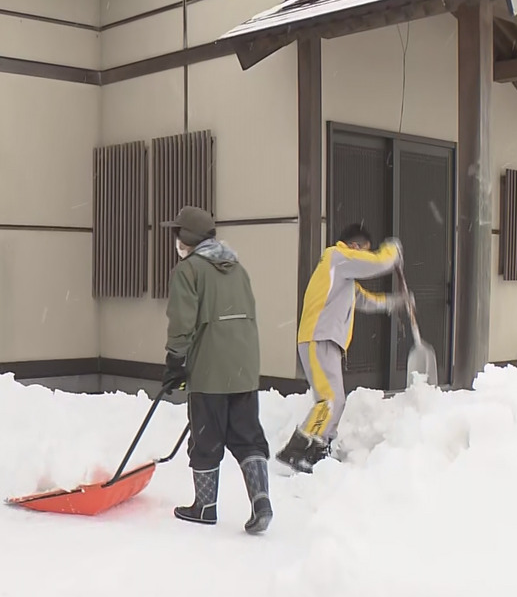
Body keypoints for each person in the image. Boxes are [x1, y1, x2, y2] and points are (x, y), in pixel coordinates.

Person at [160, 206, 273, 535]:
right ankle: (261, 501)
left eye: (178, 233)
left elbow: (182, 319)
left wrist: (175, 360)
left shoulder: (189, 269)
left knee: (206, 436)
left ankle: (205, 506)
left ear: (188, 238)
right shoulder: (237, 267)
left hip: (210, 366)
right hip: (245, 365)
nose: (176, 239)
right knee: (247, 434)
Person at [275, 223, 404, 474]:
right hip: (318, 337)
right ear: (355, 247)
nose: (364, 257)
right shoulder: (337, 256)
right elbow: (377, 263)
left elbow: (365, 299)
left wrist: (394, 303)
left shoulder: (342, 276)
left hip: (326, 340)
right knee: (329, 399)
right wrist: (392, 253)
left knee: (337, 400)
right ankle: (297, 448)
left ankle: (319, 448)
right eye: (364, 252)